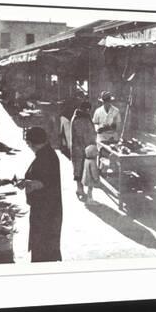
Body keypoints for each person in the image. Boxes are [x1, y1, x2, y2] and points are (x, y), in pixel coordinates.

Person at [17, 127, 63, 262]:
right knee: (47, 247)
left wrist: (26, 183)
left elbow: (42, 183)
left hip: (45, 211)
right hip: (49, 209)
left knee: (43, 248)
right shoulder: (47, 153)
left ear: (31, 143)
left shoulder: (45, 157)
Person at [69, 101, 96, 200]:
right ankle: (80, 190)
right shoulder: (79, 119)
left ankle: (80, 190)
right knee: (79, 170)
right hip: (80, 149)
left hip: (82, 148)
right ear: (86, 109)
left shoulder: (82, 116)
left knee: (82, 170)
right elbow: (81, 136)